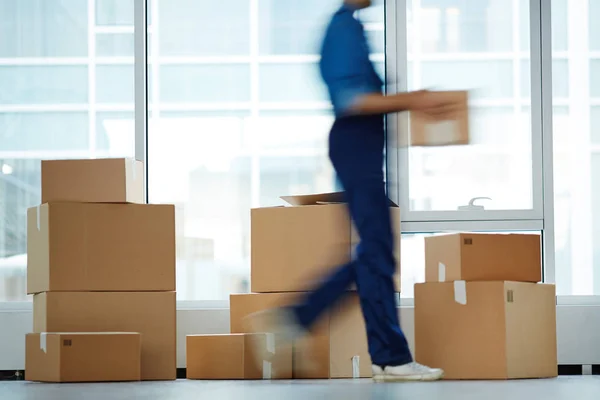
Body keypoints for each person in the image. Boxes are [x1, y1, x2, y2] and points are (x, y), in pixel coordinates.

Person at [247, 0, 457, 382]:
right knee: (375, 250)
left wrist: (413, 102)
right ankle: (321, 327)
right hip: (354, 144)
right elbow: (354, 101)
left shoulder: (351, 26)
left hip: (361, 146)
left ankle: (378, 353)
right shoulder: (342, 29)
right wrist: (415, 100)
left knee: (373, 252)